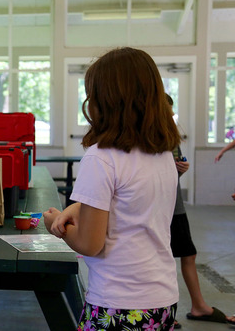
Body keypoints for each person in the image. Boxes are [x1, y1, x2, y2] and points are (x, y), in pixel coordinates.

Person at [43, 47, 181, 330]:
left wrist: (54, 225)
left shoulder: (101, 157)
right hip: (162, 298)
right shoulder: (162, 154)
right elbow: (130, 203)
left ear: (104, 101)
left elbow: (90, 245)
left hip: (118, 303)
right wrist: (74, 208)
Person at [165, 94, 227, 328]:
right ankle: (164, 312)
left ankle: (199, 306)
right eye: (167, 110)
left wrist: (181, 170)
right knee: (163, 258)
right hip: (161, 208)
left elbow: (172, 176)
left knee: (188, 253)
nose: (172, 115)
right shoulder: (150, 138)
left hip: (176, 206)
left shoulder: (171, 137)